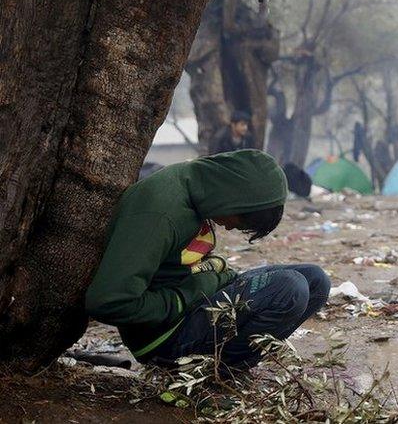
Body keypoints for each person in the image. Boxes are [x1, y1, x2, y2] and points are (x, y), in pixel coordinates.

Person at [86, 150, 329, 373]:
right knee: (290, 288)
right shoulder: (158, 214)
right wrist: (182, 298)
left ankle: (228, 361)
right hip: (169, 335)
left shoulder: (198, 186)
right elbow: (108, 302)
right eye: (240, 221)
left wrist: (212, 279)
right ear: (234, 198)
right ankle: (216, 371)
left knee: (316, 280)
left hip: (199, 298)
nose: (232, 227)